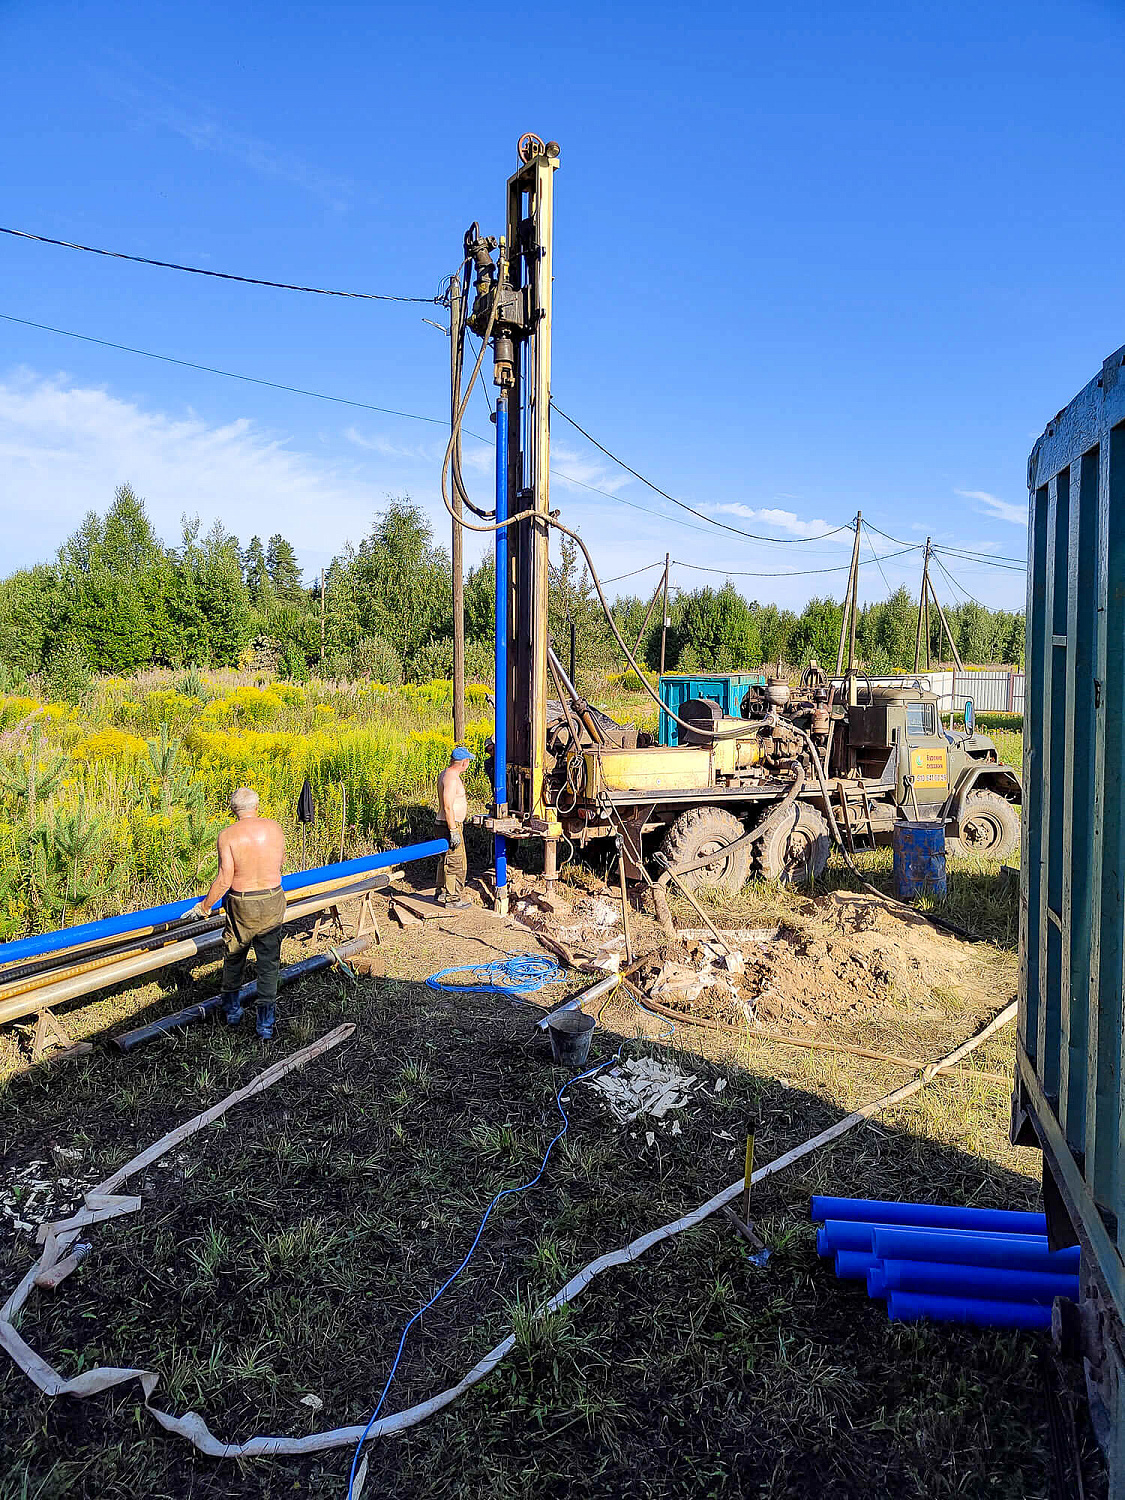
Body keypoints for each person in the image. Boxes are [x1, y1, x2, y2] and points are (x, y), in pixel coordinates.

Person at [185, 786, 287, 1040]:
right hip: (272, 898)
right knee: (268, 963)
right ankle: (265, 1024)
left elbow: (224, 879)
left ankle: (232, 1010)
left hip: (242, 902)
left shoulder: (228, 835)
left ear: (233, 809)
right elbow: (280, 862)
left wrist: (205, 906)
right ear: (257, 805)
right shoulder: (274, 828)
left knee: (234, 955)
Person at [436, 747, 473, 908]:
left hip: (444, 824)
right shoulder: (451, 779)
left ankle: (442, 892)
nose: (469, 764)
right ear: (464, 763)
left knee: (444, 860)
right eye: (468, 761)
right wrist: (453, 831)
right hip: (449, 825)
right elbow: (448, 806)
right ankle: (452, 899)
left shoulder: (446, 774)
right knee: (455, 862)